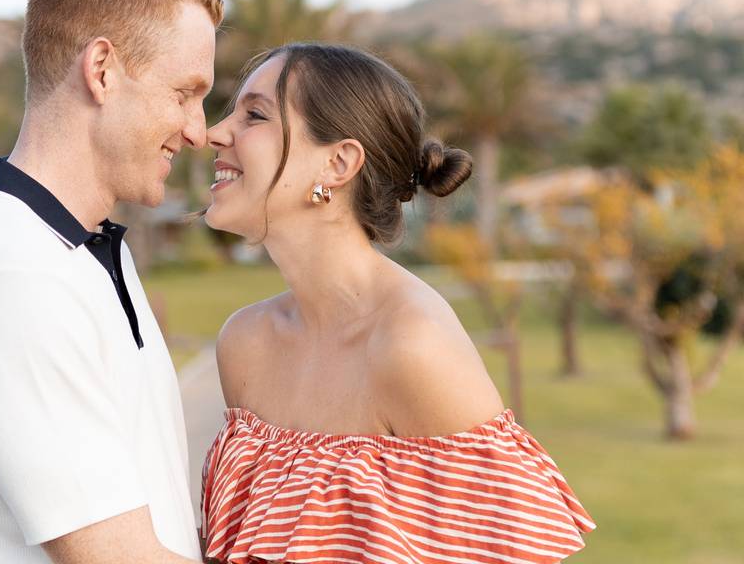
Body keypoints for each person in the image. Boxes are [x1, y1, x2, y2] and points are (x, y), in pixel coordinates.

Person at [199, 43, 596, 564]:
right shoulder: (244, 343)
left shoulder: (412, 344)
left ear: (338, 163)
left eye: (254, 115)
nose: (213, 132)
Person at [0, 0, 221, 563]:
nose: (198, 130)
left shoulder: (79, 248)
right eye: (184, 93)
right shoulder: (11, 274)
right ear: (102, 69)